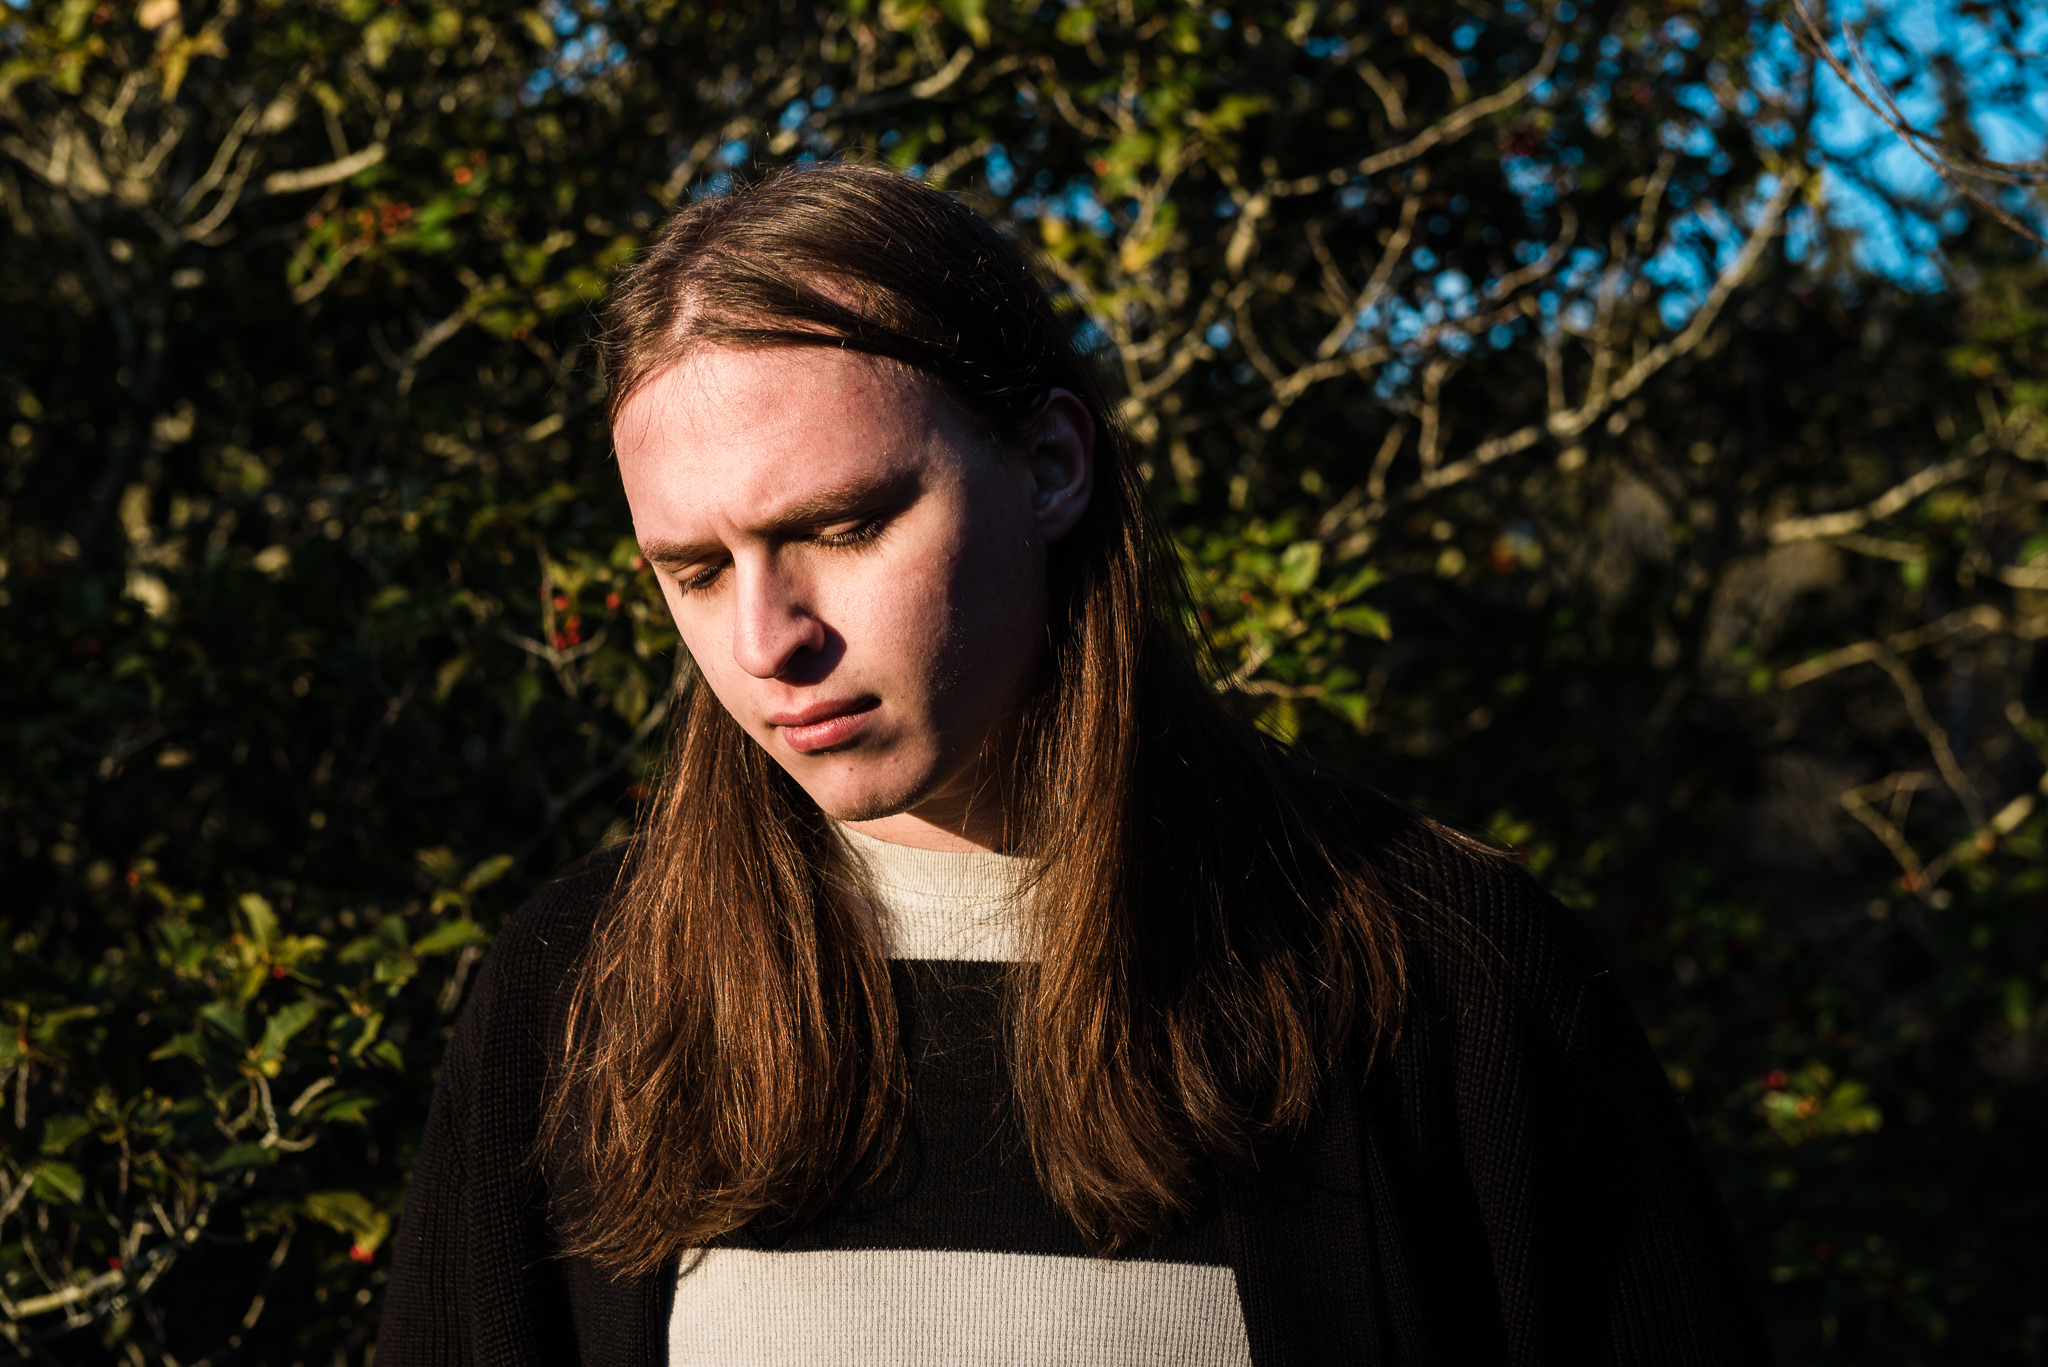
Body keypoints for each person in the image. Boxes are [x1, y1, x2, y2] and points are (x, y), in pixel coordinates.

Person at [375, 162, 1770, 1366]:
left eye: (847, 528)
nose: (767, 640)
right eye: (693, 568)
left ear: (1050, 465)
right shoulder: (578, 996)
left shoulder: (1439, 974)